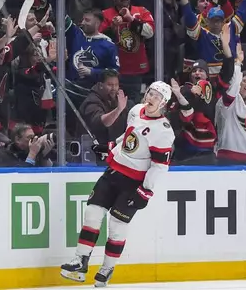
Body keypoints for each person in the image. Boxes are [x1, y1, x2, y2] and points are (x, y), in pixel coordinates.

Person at [60, 81, 175, 288]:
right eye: (150, 93)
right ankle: (80, 260)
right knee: (93, 214)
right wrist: (111, 147)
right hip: (114, 172)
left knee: (117, 225)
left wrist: (146, 191)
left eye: (157, 97)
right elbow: (128, 137)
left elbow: (159, 166)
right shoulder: (136, 110)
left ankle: (107, 267)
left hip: (133, 182)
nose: (151, 98)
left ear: (163, 103)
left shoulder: (163, 131)